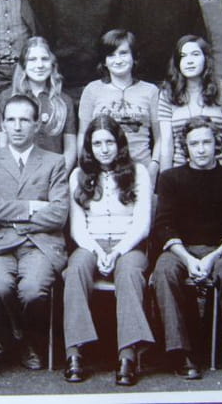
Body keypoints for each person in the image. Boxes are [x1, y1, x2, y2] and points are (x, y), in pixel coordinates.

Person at [0, 94, 68, 370]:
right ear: (3, 124)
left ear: (37, 125)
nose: (17, 127)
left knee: (32, 291)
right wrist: (31, 207)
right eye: (11, 120)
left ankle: (28, 340)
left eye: (24, 120)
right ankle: (14, 335)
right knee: (0, 287)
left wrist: (8, 214)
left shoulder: (54, 161)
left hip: (40, 244)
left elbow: (59, 213)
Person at [152, 116, 222, 381]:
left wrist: (212, 257)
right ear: (186, 147)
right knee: (163, 271)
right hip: (180, 250)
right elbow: (164, 224)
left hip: (219, 251)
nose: (201, 149)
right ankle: (181, 352)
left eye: (207, 142)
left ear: (217, 144)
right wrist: (187, 257)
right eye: (194, 144)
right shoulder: (170, 178)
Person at [62, 115, 154, 386]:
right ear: (89, 147)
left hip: (129, 244)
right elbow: (78, 228)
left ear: (119, 144)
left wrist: (117, 252)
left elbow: (142, 225)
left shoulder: (138, 172)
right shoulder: (78, 176)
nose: (104, 149)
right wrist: (97, 251)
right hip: (91, 243)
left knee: (129, 273)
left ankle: (127, 356)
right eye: (97, 143)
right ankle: (74, 353)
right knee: (75, 269)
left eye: (109, 142)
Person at [78, 30, 161, 184]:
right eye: (111, 55)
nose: (118, 60)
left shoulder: (151, 91)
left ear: (134, 57)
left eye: (123, 53)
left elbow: (160, 137)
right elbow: (83, 136)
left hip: (141, 171)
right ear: (104, 61)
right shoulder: (92, 90)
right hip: (102, 173)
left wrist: (154, 166)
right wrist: (85, 170)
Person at [158, 35, 222, 172]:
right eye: (183, 56)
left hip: (218, 172)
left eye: (195, 54)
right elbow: (166, 145)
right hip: (180, 173)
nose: (189, 61)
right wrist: (165, 180)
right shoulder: (168, 94)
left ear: (206, 59)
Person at [0, 37, 77, 174]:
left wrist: (58, 177)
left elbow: (70, 148)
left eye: (44, 59)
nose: (39, 65)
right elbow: (3, 144)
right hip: (19, 176)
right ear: (23, 65)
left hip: (54, 175)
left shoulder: (64, 101)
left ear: (52, 64)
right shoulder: (7, 98)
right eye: (32, 59)